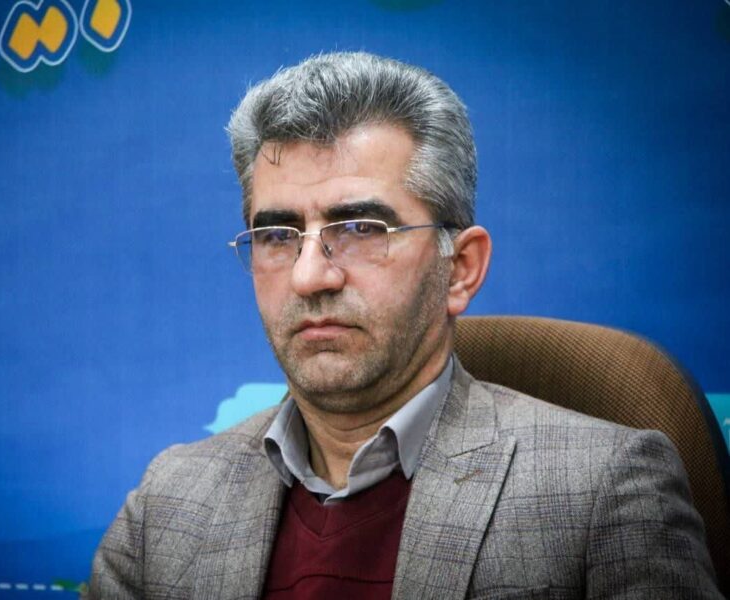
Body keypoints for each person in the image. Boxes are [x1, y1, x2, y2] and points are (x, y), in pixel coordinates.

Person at [87, 52, 720, 599]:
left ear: (460, 269)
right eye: (277, 235)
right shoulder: (167, 503)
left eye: (361, 229)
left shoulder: (606, 491)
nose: (309, 276)